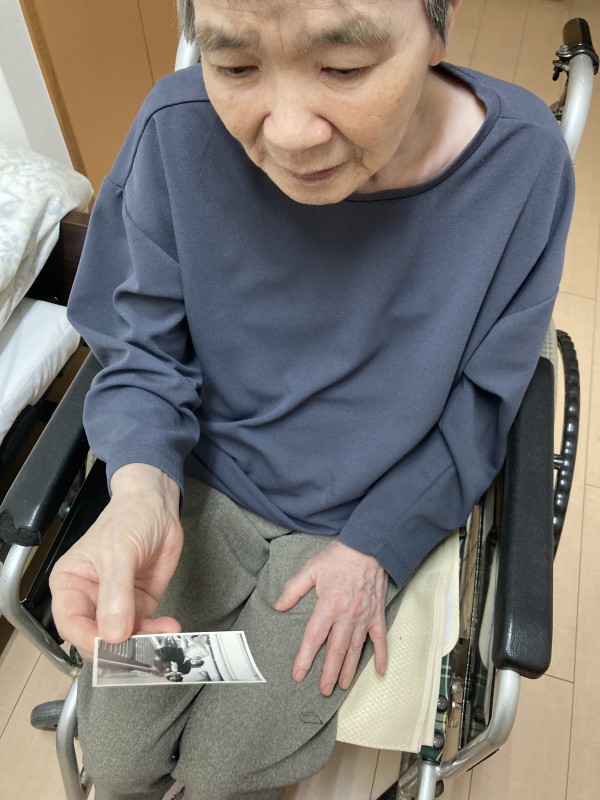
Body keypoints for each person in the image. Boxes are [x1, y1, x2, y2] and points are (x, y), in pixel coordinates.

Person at [49, 0, 574, 798]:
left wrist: (378, 546)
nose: (290, 133)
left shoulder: (522, 167)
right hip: (204, 490)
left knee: (223, 768)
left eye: (345, 67)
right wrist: (141, 490)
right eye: (235, 66)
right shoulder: (175, 134)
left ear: (440, 25)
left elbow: (483, 404)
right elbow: (138, 347)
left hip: (358, 518)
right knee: (118, 758)